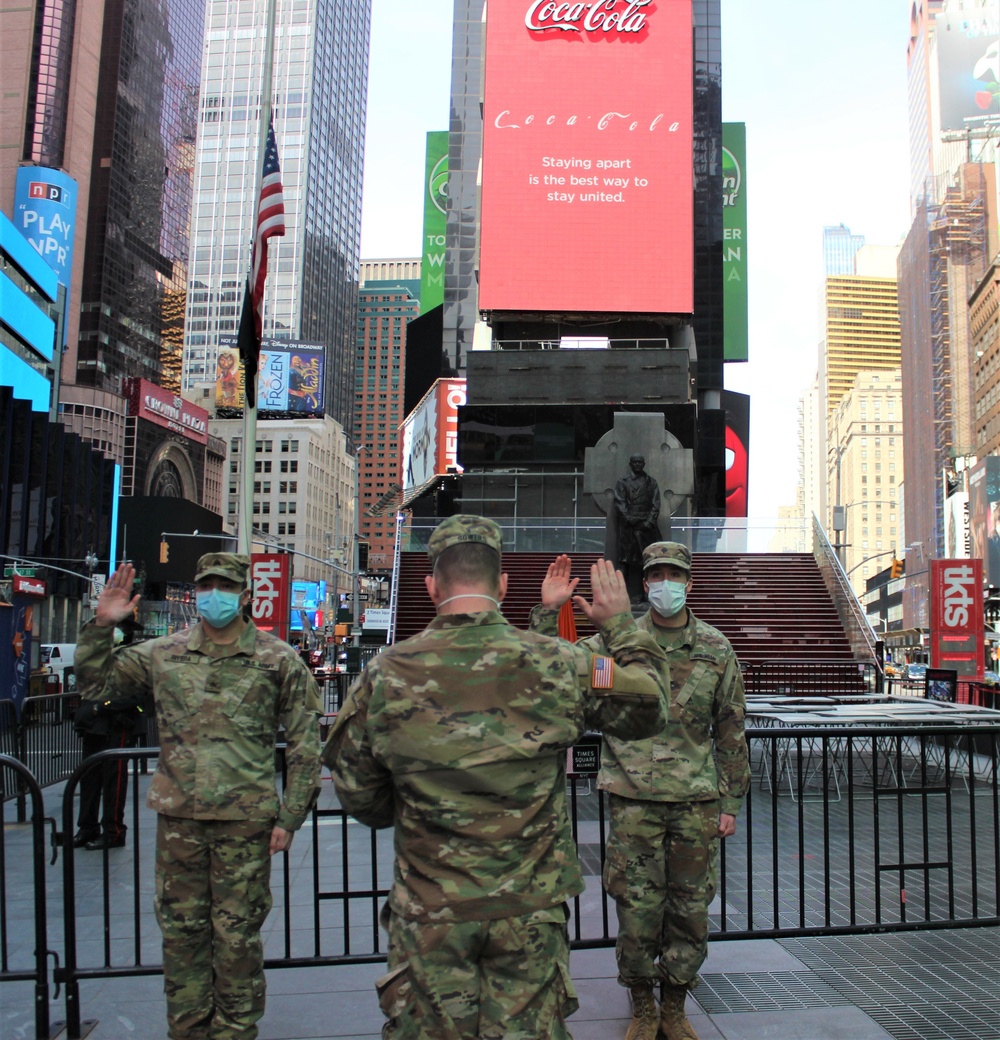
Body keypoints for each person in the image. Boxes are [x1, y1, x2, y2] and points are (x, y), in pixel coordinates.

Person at [323, 514, 670, 1040]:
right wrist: (620, 624)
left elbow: (360, 795)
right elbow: (649, 706)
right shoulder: (559, 663)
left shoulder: (387, 673)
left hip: (431, 909)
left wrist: (425, 802)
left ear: (431, 585)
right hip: (527, 910)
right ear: (503, 585)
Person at [74, 553, 322, 1040]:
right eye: (206, 586)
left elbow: (304, 743)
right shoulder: (163, 653)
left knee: (236, 939)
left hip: (244, 826)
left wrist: (291, 817)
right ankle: (187, 1030)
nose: (215, 596)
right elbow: (95, 683)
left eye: (225, 587)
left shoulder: (276, 660)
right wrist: (102, 625)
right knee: (182, 936)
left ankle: (234, 1030)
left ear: (245, 596)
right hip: (180, 824)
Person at [531, 542, 750, 1040]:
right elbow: (550, 671)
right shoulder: (616, 645)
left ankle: (675, 1005)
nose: (664, 585)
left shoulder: (715, 648)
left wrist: (730, 802)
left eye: (674, 575)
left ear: (689, 584)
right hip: (633, 804)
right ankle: (643, 1006)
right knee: (636, 911)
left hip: (695, 805)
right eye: (655, 577)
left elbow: (731, 729)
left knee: (691, 912)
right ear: (643, 584)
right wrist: (549, 612)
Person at [72, 621, 146, 850]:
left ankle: (113, 832)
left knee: (114, 782)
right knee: (89, 779)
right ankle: (87, 828)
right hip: (93, 727)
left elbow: (136, 695)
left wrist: (103, 707)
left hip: (116, 727)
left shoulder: (129, 660)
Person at [614, 454, 662, 601]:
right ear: (630, 464)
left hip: (646, 527)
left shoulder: (651, 483)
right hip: (629, 528)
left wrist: (649, 521)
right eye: (634, 462)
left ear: (644, 464)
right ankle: (620, 596)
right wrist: (629, 518)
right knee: (625, 561)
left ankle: (646, 595)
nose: (637, 465)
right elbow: (619, 501)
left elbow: (656, 504)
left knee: (647, 561)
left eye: (640, 462)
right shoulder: (623, 482)